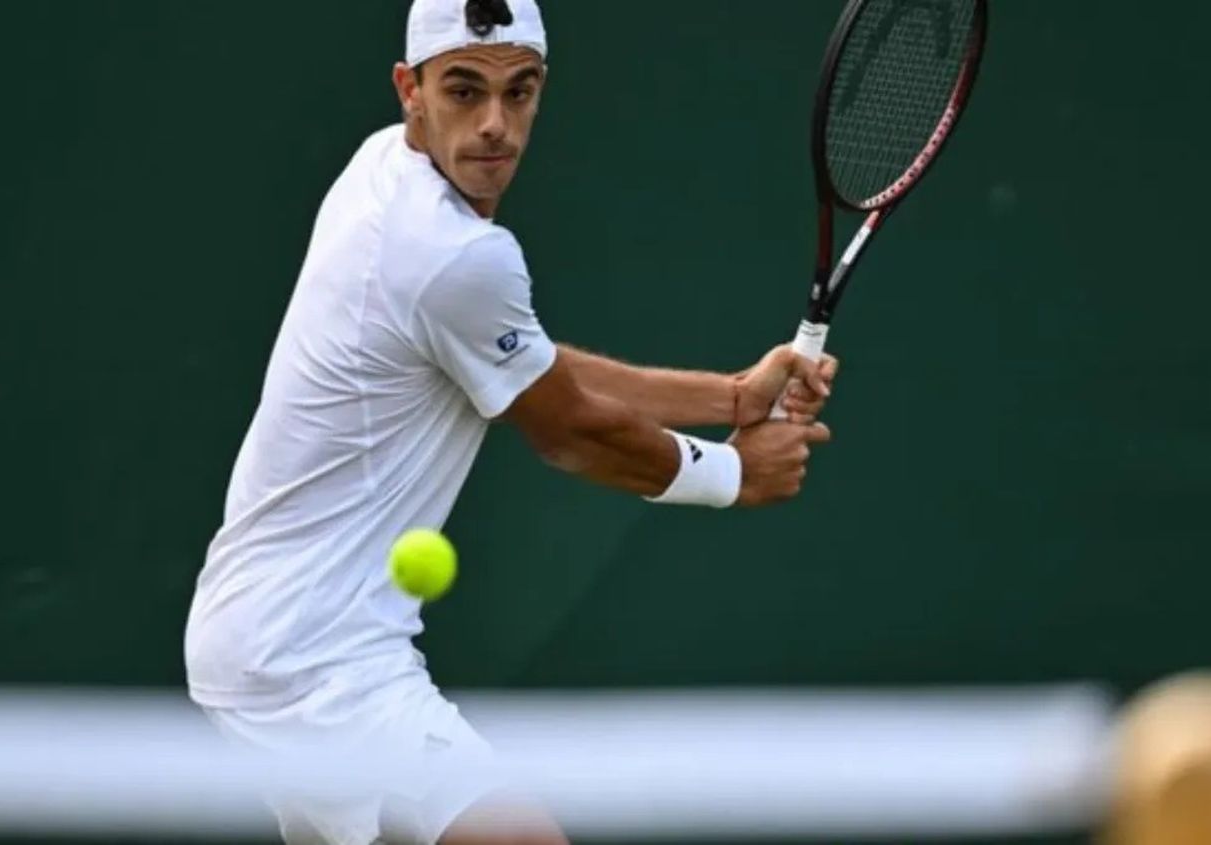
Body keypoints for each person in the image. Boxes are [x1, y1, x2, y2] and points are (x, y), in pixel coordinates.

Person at [184, 1, 839, 842]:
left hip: (265, 638)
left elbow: (526, 369)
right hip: (316, 662)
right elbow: (568, 429)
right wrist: (736, 474)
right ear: (408, 90)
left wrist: (731, 397)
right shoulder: (455, 254)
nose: (496, 124)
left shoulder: (383, 169)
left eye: (519, 92)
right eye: (464, 91)